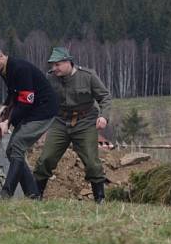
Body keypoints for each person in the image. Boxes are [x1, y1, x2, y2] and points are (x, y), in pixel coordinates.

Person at [0, 42, 59, 199]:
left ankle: (6, 194)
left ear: (0, 56)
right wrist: (4, 107)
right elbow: (14, 93)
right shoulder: (4, 70)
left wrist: (7, 122)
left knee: (17, 146)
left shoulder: (19, 69)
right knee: (11, 151)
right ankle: (33, 195)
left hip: (44, 110)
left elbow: (26, 100)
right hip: (30, 111)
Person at [33, 47, 112, 203]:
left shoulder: (88, 76)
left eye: (57, 65)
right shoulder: (50, 78)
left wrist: (104, 117)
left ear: (68, 62)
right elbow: (39, 99)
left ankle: (100, 200)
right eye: (52, 65)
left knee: (91, 162)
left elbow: (105, 97)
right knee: (46, 159)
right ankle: (35, 196)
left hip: (85, 122)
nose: (54, 68)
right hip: (60, 122)